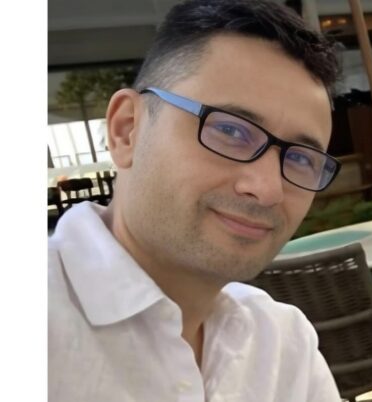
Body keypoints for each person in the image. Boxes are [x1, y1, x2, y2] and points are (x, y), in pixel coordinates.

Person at [48, 1, 343, 401]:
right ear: (126, 130)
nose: (268, 189)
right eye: (231, 132)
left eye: (301, 159)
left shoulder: (282, 344)